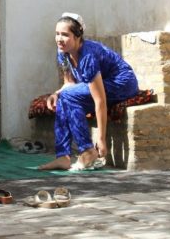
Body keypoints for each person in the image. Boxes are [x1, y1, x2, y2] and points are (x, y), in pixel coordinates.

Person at [38, 12, 139, 171]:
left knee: (68, 97)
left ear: (77, 37)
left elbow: (100, 100)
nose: (59, 39)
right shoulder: (63, 53)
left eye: (65, 35)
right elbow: (69, 84)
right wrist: (56, 93)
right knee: (64, 98)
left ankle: (87, 151)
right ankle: (63, 157)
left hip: (122, 83)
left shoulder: (88, 56)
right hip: (98, 86)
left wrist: (101, 138)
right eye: (57, 34)